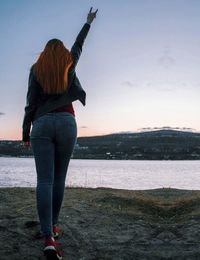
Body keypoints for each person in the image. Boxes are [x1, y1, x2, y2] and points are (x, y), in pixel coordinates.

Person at [22, 7, 98, 260]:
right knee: (59, 178)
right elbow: (79, 44)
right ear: (62, 52)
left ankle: (48, 237)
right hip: (67, 122)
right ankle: (53, 226)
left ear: (44, 53)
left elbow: (30, 103)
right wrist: (87, 22)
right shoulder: (69, 62)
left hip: (42, 124)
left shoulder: (36, 69)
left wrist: (25, 132)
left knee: (44, 181)